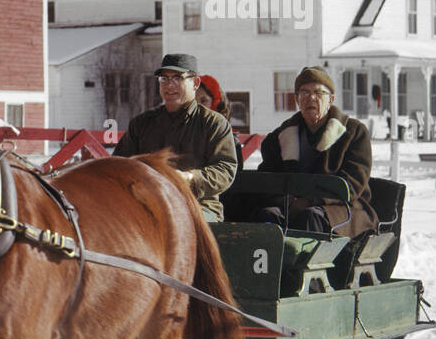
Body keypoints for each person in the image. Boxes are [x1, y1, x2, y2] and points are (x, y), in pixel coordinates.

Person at [113, 53, 238, 221]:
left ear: (195, 83)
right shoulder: (142, 124)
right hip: (148, 203)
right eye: (164, 79)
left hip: (198, 206)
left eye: (178, 78)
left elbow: (225, 169)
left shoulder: (213, 123)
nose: (169, 85)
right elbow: (120, 164)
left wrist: (190, 179)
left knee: (174, 222)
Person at [256, 67, 377, 236]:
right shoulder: (280, 136)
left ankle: (299, 263)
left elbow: (354, 182)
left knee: (310, 216)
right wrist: (284, 200)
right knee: (268, 216)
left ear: (331, 99)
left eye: (319, 93)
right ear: (297, 99)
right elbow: (268, 176)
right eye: (304, 93)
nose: (311, 98)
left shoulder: (353, 132)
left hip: (341, 207)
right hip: (290, 204)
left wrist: (311, 201)